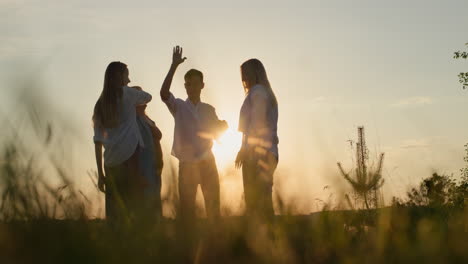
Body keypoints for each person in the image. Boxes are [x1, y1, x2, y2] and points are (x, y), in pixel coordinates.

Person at [160, 46, 228, 219]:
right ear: (185, 86)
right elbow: (164, 93)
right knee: (187, 213)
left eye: (195, 83)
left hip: (208, 164)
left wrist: (222, 126)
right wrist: (174, 66)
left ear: (202, 85)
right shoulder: (179, 107)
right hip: (187, 165)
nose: (191, 87)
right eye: (188, 84)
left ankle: (217, 244)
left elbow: (216, 134)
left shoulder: (209, 109)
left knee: (214, 210)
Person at [93, 61, 152, 222]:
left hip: (110, 163)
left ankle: (116, 244)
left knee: (115, 212)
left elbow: (98, 142)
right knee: (134, 207)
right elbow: (148, 97)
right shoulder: (128, 93)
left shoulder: (100, 104)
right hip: (130, 158)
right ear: (120, 77)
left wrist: (100, 174)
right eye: (127, 75)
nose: (129, 80)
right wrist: (134, 90)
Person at [235, 58, 279, 217]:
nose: (243, 78)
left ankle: (263, 239)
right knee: (263, 202)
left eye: (245, 73)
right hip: (265, 153)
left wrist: (246, 150)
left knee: (257, 205)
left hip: (258, 155)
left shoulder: (258, 92)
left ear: (255, 73)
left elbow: (257, 125)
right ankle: (268, 239)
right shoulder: (261, 92)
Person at [134, 86, 164, 219]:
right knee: (144, 203)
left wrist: (159, 163)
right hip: (143, 167)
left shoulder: (148, 120)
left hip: (155, 167)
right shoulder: (133, 121)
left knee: (155, 202)